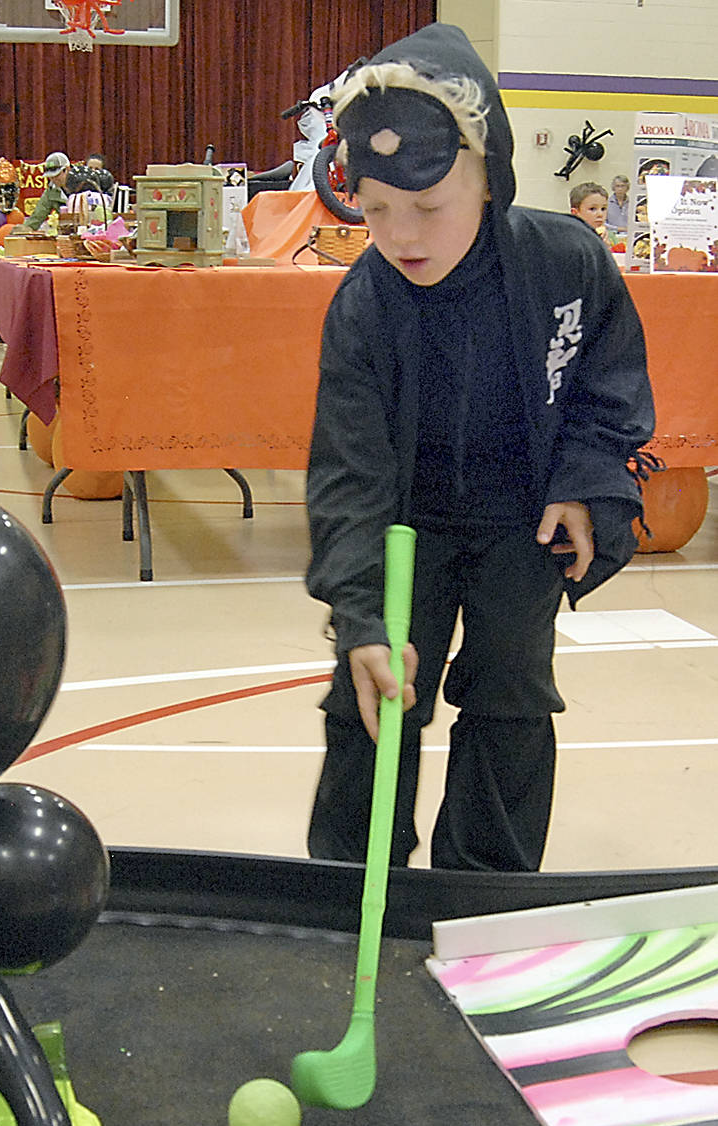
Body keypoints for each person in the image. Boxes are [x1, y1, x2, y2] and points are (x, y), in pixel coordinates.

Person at [303, 23, 653, 873]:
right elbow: (348, 474)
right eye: (377, 210)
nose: (402, 235)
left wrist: (584, 483)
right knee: (374, 700)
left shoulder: (567, 262)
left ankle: (485, 889)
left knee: (509, 695)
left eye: (427, 207)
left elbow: (607, 389)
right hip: (403, 528)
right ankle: (351, 880)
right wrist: (359, 619)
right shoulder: (363, 305)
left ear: (491, 178)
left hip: (522, 524)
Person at [22, 152, 72, 232]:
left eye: (57, 175)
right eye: (51, 177)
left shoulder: (83, 185)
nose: (54, 179)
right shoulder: (51, 192)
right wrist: (25, 229)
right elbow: (37, 216)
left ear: (67, 169)